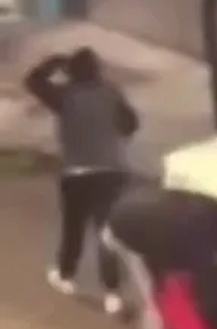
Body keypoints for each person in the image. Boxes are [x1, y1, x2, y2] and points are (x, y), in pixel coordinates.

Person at [24, 47, 139, 315]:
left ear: (71, 73)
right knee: (106, 233)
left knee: (73, 228)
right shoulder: (111, 93)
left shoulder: (65, 96)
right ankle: (113, 293)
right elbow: (130, 125)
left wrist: (53, 62)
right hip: (111, 171)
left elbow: (32, 81)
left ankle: (66, 276)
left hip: (76, 172)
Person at [100, 185, 217, 329]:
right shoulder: (181, 233)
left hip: (146, 214)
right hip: (130, 231)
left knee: (185, 289)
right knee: (155, 297)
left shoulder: (216, 213)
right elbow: (165, 266)